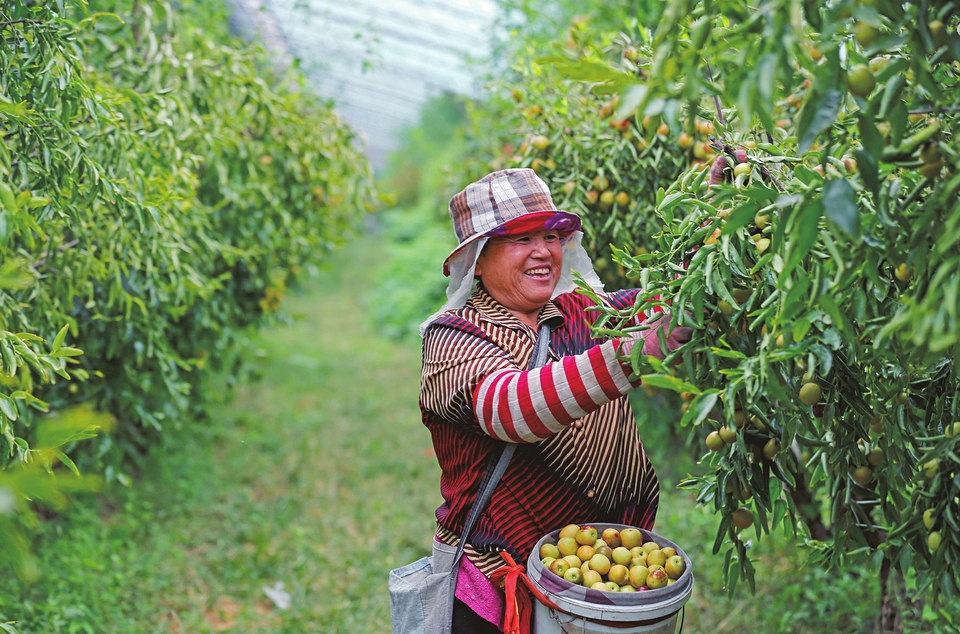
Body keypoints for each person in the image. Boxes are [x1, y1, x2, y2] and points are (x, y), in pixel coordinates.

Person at [419, 168, 692, 632]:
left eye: (550, 235)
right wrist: (634, 352)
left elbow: (681, 297)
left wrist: (716, 215)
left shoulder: (584, 312)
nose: (544, 250)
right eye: (520, 239)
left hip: (605, 578)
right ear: (477, 260)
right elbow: (513, 410)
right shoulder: (452, 340)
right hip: (498, 588)